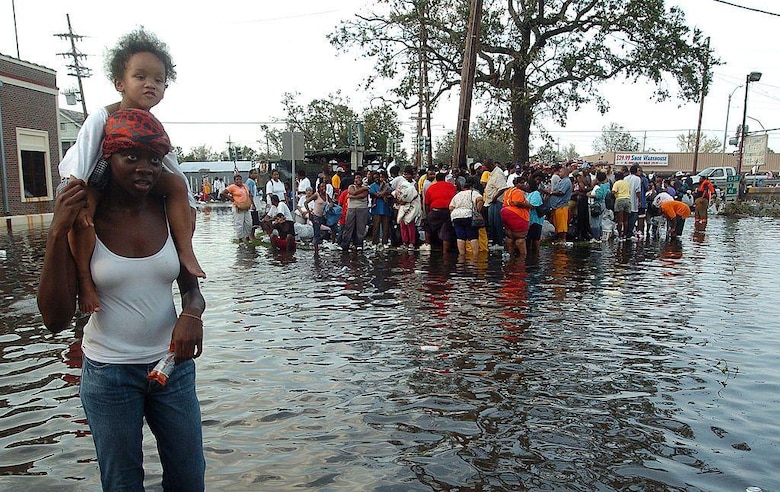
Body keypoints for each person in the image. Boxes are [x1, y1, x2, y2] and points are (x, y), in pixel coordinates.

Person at [38, 109, 205, 491]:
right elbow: (54, 320)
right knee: (122, 484)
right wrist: (56, 233)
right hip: (109, 375)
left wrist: (192, 315)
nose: (145, 168)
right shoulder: (84, 220)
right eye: (131, 157)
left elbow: (191, 290)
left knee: (189, 479)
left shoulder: (167, 210)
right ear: (108, 158)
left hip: (172, 367)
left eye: (154, 159)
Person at [58, 28, 205, 314]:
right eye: (140, 77)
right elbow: (81, 162)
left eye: (158, 80)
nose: (150, 85)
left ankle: (185, 252)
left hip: (131, 178)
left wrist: (189, 205)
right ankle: (85, 280)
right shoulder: (102, 117)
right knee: (83, 218)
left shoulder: (152, 126)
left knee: (176, 186)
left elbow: (171, 167)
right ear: (120, 83)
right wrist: (79, 200)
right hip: (94, 177)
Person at [448, 176, 483, 256]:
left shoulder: (458, 194)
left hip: (456, 216)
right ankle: (475, 256)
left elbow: (451, 207)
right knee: (473, 236)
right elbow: (480, 200)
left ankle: (462, 256)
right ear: (471, 187)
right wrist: (478, 211)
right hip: (468, 215)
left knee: (460, 237)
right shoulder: (473, 192)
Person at [423, 172, 457, 252]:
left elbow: (426, 203)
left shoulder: (431, 187)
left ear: (436, 179)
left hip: (435, 211)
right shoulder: (452, 186)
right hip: (448, 212)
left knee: (428, 227)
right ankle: (445, 252)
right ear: (444, 179)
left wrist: (428, 214)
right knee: (447, 232)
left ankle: (427, 246)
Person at [501, 175, 531, 256]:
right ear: (516, 184)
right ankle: (522, 258)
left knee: (510, 237)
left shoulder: (509, 190)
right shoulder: (518, 191)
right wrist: (528, 205)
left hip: (504, 211)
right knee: (520, 238)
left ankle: (511, 256)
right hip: (516, 214)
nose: (523, 185)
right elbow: (516, 202)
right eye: (521, 183)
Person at [340, 172, 370, 251]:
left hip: (362, 208)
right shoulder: (351, 186)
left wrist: (352, 196)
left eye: (359, 177)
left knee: (361, 227)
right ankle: (345, 244)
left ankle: (359, 244)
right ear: (354, 179)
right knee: (349, 227)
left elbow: (363, 195)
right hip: (352, 208)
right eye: (357, 178)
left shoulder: (366, 188)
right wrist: (362, 190)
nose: (358, 179)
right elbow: (352, 192)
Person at [221, 174, 254, 243]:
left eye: (240, 179)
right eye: (237, 179)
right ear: (234, 181)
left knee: (249, 223)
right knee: (239, 223)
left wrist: (253, 203)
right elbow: (223, 193)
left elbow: (250, 194)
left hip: (246, 206)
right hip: (237, 207)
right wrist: (231, 199)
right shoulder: (232, 187)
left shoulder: (245, 186)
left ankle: (247, 236)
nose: (239, 181)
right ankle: (240, 238)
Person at [394, 171, 422, 251]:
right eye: (405, 174)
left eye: (408, 174)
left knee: (410, 225)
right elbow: (398, 194)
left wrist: (405, 201)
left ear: (412, 175)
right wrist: (400, 201)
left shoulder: (414, 185)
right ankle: (405, 242)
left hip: (411, 207)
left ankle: (411, 243)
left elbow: (414, 196)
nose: (407, 176)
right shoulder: (402, 184)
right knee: (403, 225)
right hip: (403, 207)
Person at [546, 165, 573, 245]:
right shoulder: (561, 181)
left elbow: (561, 192)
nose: (559, 173)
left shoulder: (566, 181)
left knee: (562, 223)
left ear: (565, 172)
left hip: (561, 205)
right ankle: (559, 238)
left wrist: (551, 192)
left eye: (560, 172)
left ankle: (563, 239)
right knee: (557, 223)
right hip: (556, 206)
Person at [369, 170, 393, 248]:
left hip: (386, 208)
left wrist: (382, 193)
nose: (377, 179)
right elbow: (375, 194)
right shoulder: (372, 186)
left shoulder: (387, 185)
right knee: (376, 227)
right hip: (376, 209)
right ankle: (375, 242)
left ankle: (384, 242)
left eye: (378, 177)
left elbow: (391, 193)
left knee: (386, 227)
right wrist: (384, 193)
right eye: (375, 178)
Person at [305, 183, 330, 254]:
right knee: (317, 233)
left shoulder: (327, 195)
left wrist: (331, 204)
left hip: (323, 216)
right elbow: (306, 203)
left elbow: (331, 202)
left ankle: (318, 249)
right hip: (315, 216)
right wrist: (309, 213)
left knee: (324, 231)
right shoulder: (316, 195)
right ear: (319, 188)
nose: (323, 188)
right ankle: (316, 252)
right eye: (322, 187)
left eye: (324, 186)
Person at [588, 171, 611, 243]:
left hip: (597, 205)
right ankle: (600, 236)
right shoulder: (607, 185)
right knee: (600, 221)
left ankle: (596, 238)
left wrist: (589, 195)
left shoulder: (599, 187)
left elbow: (598, 196)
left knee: (595, 222)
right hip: (603, 204)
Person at [611, 171, 631, 241]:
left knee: (620, 220)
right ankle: (624, 235)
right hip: (628, 200)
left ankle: (619, 236)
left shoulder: (617, 183)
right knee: (625, 220)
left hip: (620, 200)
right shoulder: (626, 183)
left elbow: (613, 192)